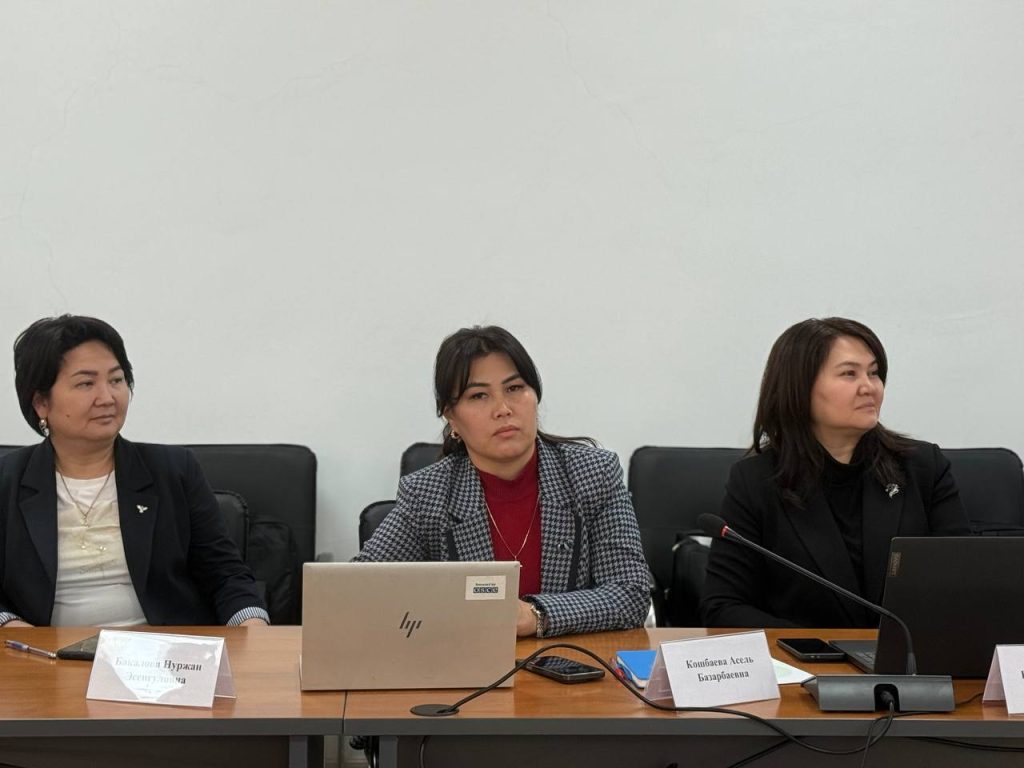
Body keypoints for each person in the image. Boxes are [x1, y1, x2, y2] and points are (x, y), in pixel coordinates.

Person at [356, 325, 650, 637]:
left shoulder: (591, 474)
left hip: (571, 662)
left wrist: (536, 615)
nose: (503, 409)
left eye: (514, 388)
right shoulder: (428, 495)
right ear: (451, 418)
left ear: (535, 397)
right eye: (479, 395)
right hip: (468, 661)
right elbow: (358, 593)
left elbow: (630, 594)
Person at [700, 317, 970, 628]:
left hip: (910, 654)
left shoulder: (922, 467)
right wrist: (817, 646)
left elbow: (966, 583)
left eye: (873, 373)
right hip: (802, 658)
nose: (869, 387)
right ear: (800, 388)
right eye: (849, 374)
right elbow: (723, 607)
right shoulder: (756, 481)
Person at [0, 315, 268, 628]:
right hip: (43, 654)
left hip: (164, 651)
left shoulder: (174, 470)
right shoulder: (7, 480)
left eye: (116, 380)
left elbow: (226, 576)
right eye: (86, 384)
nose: (107, 398)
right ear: (41, 403)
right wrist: (10, 627)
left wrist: (253, 626)